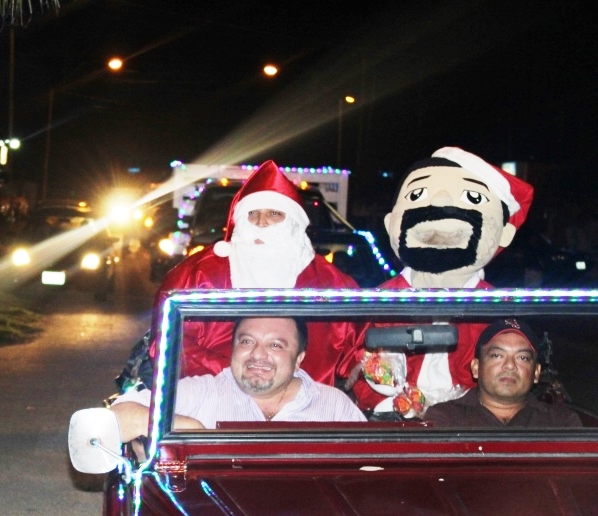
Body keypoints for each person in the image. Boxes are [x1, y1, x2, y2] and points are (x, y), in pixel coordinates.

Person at [349, 147, 536, 415]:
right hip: (389, 427)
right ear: (391, 223)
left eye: (472, 197)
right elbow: (350, 362)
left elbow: (511, 380)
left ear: (504, 233)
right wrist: (386, 402)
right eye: (417, 195)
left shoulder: (498, 309)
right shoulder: (377, 301)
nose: (439, 203)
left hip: (471, 431)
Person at [149, 160, 361, 387]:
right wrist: (238, 376)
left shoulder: (330, 282)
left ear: (294, 222)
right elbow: (168, 343)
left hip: (305, 410)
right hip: (213, 399)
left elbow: (359, 352)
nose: (261, 222)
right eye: (253, 214)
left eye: (274, 213)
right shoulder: (199, 273)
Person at [112, 317, 365, 442]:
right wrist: (191, 428)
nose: (258, 354)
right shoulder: (203, 392)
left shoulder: (335, 406)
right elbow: (115, 418)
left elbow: (372, 470)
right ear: (232, 349)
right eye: (246, 341)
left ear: (299, 358)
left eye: (276, 345)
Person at [423, 318, 582, 428]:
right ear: (476, 368)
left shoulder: (560, 423)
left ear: (536, 373)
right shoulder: (446, 418)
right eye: (497, 356)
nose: (510, 366)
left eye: (522, 357)